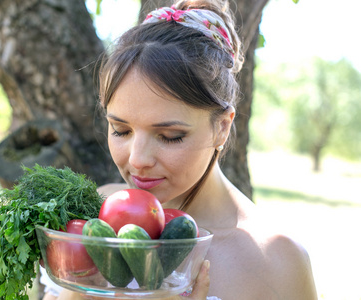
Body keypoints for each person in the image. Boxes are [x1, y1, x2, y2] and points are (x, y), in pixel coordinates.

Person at [41, 0, 318, 299]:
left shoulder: (277, 261)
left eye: (170, 136)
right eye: (121, 130)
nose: (137, 159)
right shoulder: (86, 221)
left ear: (222, 127)